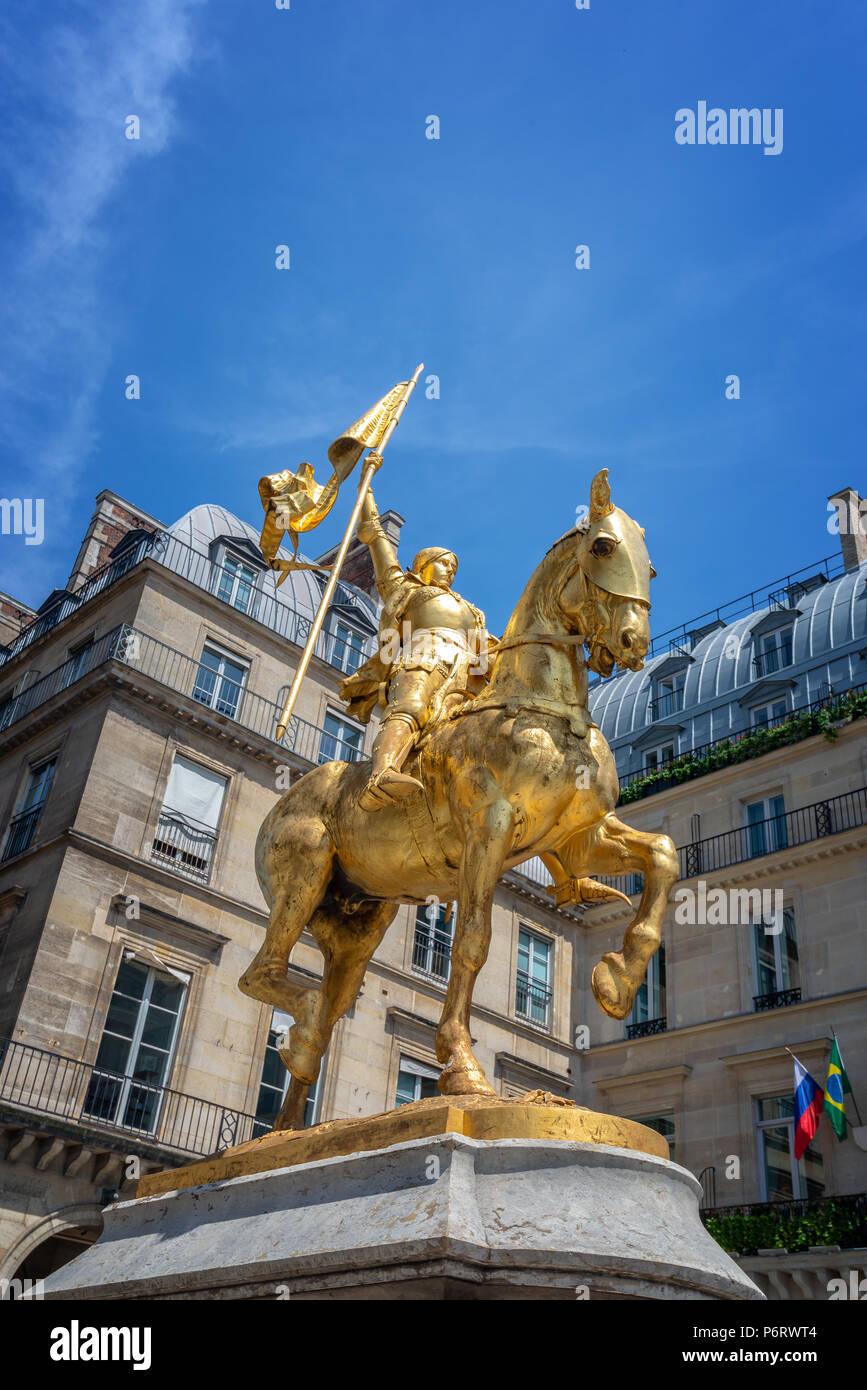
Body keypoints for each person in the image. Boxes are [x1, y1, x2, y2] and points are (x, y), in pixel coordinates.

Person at [340, 473, 493, 811]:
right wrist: (365, 492)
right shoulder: (407, 590)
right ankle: (381, 775)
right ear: (422, 566)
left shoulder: (473, 611)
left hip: (464, 675)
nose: (450, 572)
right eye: (443, 564)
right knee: (409, 708)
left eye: (454, 568)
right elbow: (375, 537)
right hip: (420, 658)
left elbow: (485, 660)